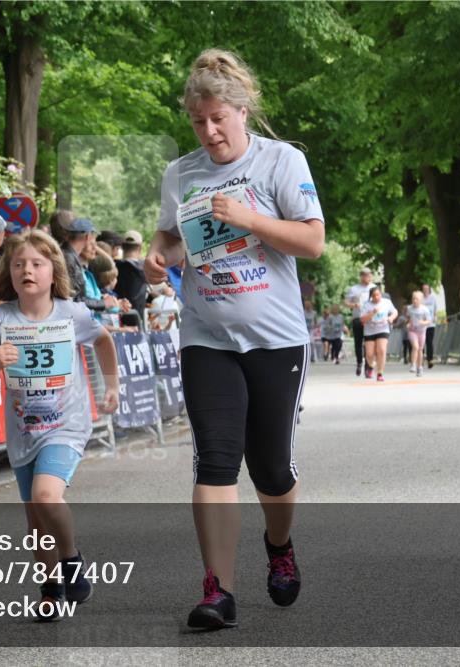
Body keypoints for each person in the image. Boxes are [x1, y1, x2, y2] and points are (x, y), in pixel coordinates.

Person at [144, 49, 324, 630]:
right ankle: (218, 591)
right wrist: (157, 259)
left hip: (275, 338)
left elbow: (312, 242)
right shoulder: (182, 173)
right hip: (207, 337)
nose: (210, 130)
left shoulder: (280, 162)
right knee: (215, 462)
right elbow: (170, 242)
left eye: (219, 117)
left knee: (271, 469)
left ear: (243, 110)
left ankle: (280, 546)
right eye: (198, 121)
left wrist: (250, 220)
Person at [0, 231, 119, 621]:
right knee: (36, 520)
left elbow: (104, 340)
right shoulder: (1, 319)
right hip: (25, 431)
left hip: (66, 424)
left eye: (37, 264)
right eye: (19, 264)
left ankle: (71, 561)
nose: (27, 270)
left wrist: (112, 385)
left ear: (53, 272)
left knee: (46, 497)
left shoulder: (71, 314)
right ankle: (51, 591)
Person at [360, 286, 397, 382]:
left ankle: (380, 373)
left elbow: (395, 312)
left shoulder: (386, 302)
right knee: (369, 354)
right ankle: (372, 365)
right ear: (371, 296)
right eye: (374, 296)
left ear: (381, 294)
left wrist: (391, 318)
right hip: (369, 330)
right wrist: (372, 312)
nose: (376, 297)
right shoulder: (367, 305)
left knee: (381, 350)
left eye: (378, 295)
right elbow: (362, 319)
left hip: (383, 329)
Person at [344, 267, 376, 376]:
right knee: (358, 342)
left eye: (369, 275)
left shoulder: (374, 287)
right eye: (365, 275)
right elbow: (346, 302)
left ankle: (368, 366)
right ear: (361, 276)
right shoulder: (354, 289)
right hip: (357, 317)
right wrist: (354, 305)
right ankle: (359, 363)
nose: (368, 277)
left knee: (369, 343)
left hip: (370, 319)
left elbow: (379, 300)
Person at [115, 230, 149, 328]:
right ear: (140, 247)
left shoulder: (113, 267)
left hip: (116, 323)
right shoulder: (145, 270)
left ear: (122, 246)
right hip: (137, 322)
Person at [404, 290, 432, 377]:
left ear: (421, 300)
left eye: (416, 299)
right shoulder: (409, 308)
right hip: (412, 331)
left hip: (422, 331)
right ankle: (413, 365)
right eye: (413, 299)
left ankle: (420, 367)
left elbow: (429, 321)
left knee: (420, 349)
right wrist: (408, 324)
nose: (414, 300)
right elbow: (407, 319)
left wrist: (423, 323)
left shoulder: (424, 309)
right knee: (415, 347)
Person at [421, 284, 438, 368]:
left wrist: (435, 317)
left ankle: (430, 360)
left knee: (429, 342)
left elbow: (435, 309)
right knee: (422, 342)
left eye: (426, 289)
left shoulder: (433, 298)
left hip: (431, 324)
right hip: (422, 324)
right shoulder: (420, 298)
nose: (425, 290)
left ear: (429, 290)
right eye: (424, 289)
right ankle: (420, 359)